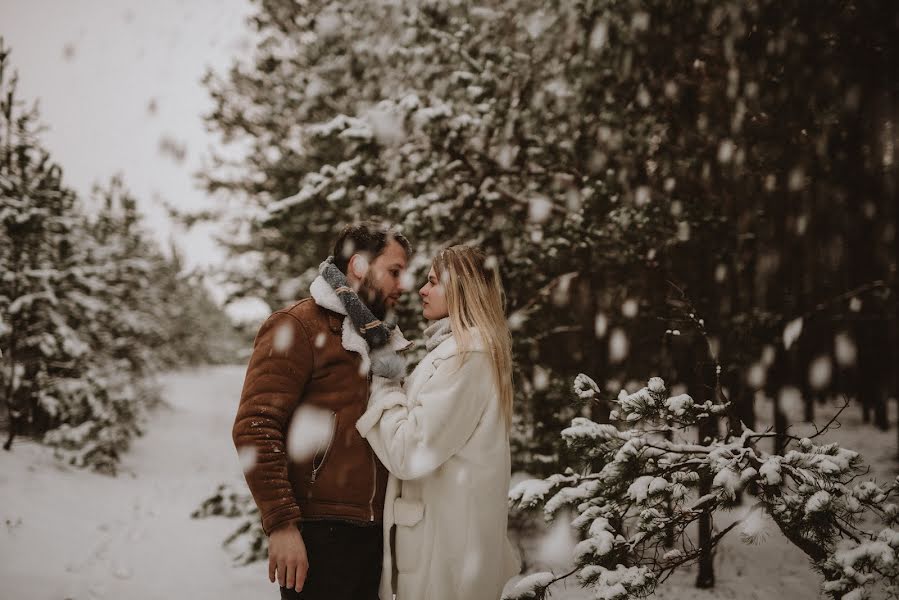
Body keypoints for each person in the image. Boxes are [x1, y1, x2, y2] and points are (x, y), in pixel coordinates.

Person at [232, 221, 413, 599]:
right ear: (359, 266)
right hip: (319, 536)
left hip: (375, 534)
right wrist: (282, 524)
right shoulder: (297, 326)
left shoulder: (381, 340)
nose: (403, 285)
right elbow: (255, 427)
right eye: (394, 272)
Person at [357, 245, 522, 600]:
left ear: (462, 289)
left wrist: (385, 383)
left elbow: (409, 451)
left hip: (445, 556)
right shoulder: (456, 353)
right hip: (444, 546)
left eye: (433, 282)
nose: (421, 290)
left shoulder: (469, 357)